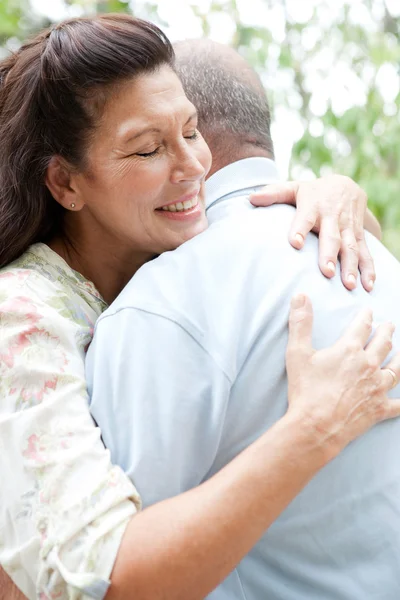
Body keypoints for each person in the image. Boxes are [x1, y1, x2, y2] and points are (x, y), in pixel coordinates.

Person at [0, 14, 395, 600]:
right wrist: (313, 427)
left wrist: (334, 194)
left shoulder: (155, 269)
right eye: (148, 149)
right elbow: (98, 580)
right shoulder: (23, 316)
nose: (192, 168)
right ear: (65, 183)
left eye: (190, 130)